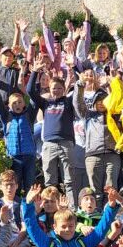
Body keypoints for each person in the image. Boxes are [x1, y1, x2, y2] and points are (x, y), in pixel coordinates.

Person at [28, 57, 78, 206]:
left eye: (59, 88)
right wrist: (35, 72)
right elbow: (30, 90)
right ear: (49, 89)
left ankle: (72, 208)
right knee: (50, 180)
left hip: (65, 143)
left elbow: (78, 88)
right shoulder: (45, 103)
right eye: (53, 88)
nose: (56, 90)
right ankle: (51, 208)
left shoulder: (68, 102)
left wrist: (73, 68)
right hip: (49, 144)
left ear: (64, 90)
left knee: (69, 179)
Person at [73, 70, 121, 194]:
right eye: (98, 101)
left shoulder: (114, 115)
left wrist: (109, 85)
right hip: (93, 155)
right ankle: (96, 213)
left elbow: (118, 99)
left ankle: (110, 213)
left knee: (111, 191)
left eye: (104, 100)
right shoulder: (88, 115)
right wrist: (80, 85)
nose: (101, 103)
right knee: (95, 192)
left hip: (112, 154)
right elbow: (78, 104)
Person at [0, 90, 37, 195]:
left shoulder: (29, 116)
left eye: (19, 102)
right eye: (14, 103)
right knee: (14, 188)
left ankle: (30, 209)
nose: (17, 104)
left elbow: (34, 98)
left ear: (24, 104)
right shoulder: (6, 117)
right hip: (14, 159)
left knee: (30, 186)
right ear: (9, 105)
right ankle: (16, 209)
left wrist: (35, 75)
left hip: (29, 157)